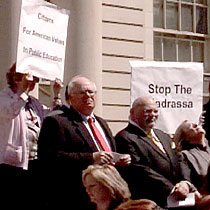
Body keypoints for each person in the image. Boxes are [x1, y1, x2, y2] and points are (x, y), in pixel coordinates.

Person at [38, 76, 131, 209]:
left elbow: (109, 153)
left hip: (109, 196)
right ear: (70, 98)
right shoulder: (57, 122)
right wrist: (91, 158)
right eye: (82, 92)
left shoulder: (101, 122)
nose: (88, 95)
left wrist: (119, 160)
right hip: (78, 197)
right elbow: (49, 158)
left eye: (91, 92)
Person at [115, 97, 197, 208]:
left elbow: (180, 158)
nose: (153, 115)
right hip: (151, 202)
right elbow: (140, 170)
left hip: (179, 201)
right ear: (133, 112)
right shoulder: (125, 137)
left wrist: (185, 182)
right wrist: (172, 189)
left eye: (155, 111)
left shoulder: (162, 135)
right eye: (147, 111)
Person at [0, 63, 62, 209]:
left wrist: (56, 95)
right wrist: (23, 90)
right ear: (17, 78)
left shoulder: (32, 102)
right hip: (12, 164)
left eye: (35, 80)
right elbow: (11, 111)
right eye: (31, 78)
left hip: (34, 161)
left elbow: (51, 117)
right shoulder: (4, 98)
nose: (34, 83)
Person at [173, 120, 210, 190]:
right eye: (192, 126)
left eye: (196, 124)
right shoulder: (184, 155)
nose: (197, 126)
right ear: (185, 138)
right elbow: (187, 181)